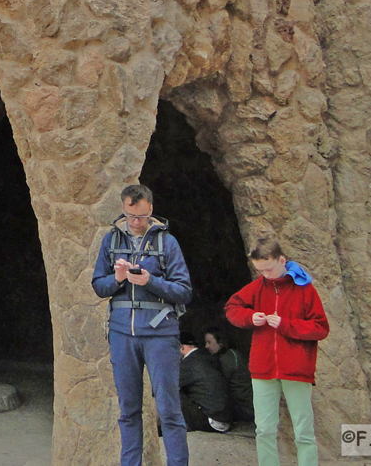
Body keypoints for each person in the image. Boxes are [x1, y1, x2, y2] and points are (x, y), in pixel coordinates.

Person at [93, 183, 192, 466]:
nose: (136, 223)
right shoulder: (111, 240)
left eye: (142, 216)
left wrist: (151, 281)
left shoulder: (167, 242)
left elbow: (184, 291)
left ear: (151, 210)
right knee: (128, 410)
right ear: (123, 210)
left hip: (161, 333)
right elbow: (99, 286)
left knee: (169, 410)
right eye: (130, 216)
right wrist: (119, 279)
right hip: (122, 333)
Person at [226, 238, 329, 466]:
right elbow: (232, 308)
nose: (266, 275)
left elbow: (321, 327)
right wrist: (250, 317)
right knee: (263, 429)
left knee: (304, 431)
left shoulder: (305, 288)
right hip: (262, 369)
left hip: (297, 368)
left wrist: (285, 324)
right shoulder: (257, 286)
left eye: (269, 268)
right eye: (260, 270)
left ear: (282, 260)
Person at [178, 331, 233, 432]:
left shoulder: (188, 363)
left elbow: (165, 388)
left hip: (210, 422)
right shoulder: (207, 357)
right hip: (226, 421)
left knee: (168, 391)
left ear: (181, 347)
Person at [204, 326, 254, 422]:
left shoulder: (228, 359)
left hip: (244, 408)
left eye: (209, 342)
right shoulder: (233, 355)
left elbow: (218, 385)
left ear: (221, 343)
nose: (206, 346)